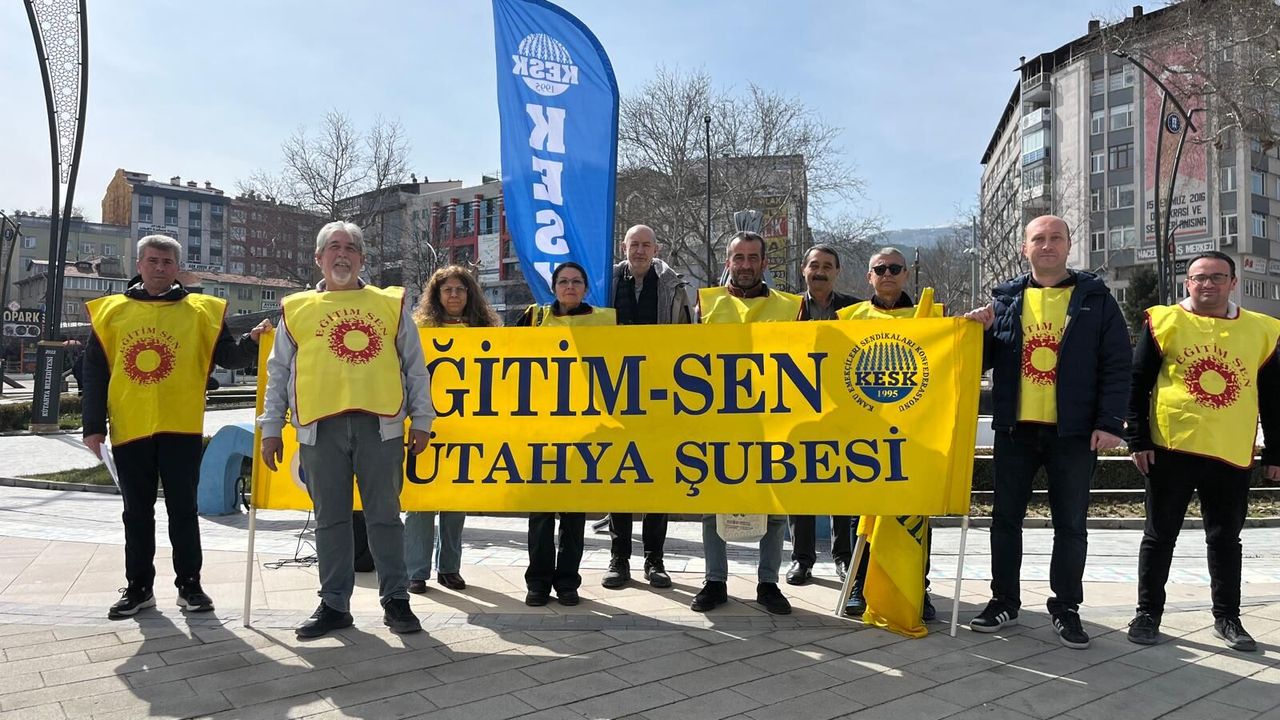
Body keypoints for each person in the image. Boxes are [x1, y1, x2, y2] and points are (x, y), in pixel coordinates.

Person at [963, 214, 1130, 649]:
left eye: (1056, 237)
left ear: (1069, 245)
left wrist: (1110, 422)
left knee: (1070, 525)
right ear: (1025, 248)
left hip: (1072, 434)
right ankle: (1004, 600)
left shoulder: (1096, 299)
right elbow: (981, 362)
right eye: (1039, 238)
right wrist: (976, 332)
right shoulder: (1005, 300)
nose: (1048, 245)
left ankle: (1066, 607)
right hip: (1015, 431)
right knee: (1004, 521)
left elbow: (1117, 364)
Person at [259, 221, 434, 638]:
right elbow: (278, 371)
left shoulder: (389, 304)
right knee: (330, 521)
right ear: (318, 258)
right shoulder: (296, 309)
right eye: (334, 247)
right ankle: (334, 604)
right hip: (320, 430)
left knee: (385, 518)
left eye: (351, 247)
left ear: (362, 258)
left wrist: (423, 419)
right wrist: (271, 426)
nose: (343, 254)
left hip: (381, 426)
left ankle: (396, 599)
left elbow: (414, 365)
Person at [83, 234, 269, 619]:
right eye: (152, 260)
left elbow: (229, 358)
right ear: (139, 265)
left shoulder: (202, 311)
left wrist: (251, 342)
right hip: (130, 426)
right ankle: (138, 587)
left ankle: (190, 585)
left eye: (167, 262)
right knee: (136, 512)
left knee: (184, 510)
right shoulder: (110, 312)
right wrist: (92, 426)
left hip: (181, 426)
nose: (159, 267)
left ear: (178, 268)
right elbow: (95, 373)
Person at [1125, 252, 1280, 652]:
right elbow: (1137, 383)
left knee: (1226, 539)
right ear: (1187, 283)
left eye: (1217, 277)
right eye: (1199, 277)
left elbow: (1273, 397)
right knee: (1159, 536)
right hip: (1170, 448)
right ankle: (1147, 614)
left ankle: (1228, 618)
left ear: (1233, 282)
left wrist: (1276, 452)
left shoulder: (1262, 330)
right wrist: (1138, 439)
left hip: (1230, 451)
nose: (1208, 284)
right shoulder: (1163, 321)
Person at [692, 231, 802, 616]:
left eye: (753, 258)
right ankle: (715, 581)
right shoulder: (705, 303)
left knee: (774, 506)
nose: (745, 265)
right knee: (713, 504)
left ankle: (768, 583)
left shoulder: (791, 306)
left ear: (764, 263)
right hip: (718, 420)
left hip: (773, 420)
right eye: (738, 257)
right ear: (728, 262)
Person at [834, 247, 939, 622]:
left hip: (914, 434)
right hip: (863, 434)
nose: (888, 274)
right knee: (859, 516)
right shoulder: (848, 318)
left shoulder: (930, 317)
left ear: (907, 273)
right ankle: (859, 587)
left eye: (895, 268)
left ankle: (917, 588)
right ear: (869, 277)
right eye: (880, 269)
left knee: (915, 515)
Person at [517, 262, 616, 606]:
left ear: (586, 288)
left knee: (574, 512)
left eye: (576, 281)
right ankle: (538, 582)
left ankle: (568, 582)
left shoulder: (606, 321)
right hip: (542, 426)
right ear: (554, 287)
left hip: (586, 427)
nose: (570, 286)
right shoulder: (534, 317)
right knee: (541, 511)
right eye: (563, 281)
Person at [602, 225, 692, 591]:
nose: (639, 251)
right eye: (633, 244)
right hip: (615, 395)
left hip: (660, 396)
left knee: (658, 479)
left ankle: (655, 560)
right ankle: (619, 558)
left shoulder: (674, 287)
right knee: (619, 478)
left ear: (657, 249)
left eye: (646, 245)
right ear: (623, 247)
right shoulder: (604, 284)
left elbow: (687, 339)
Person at [403, 265, 501, 594]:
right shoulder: (420, 329)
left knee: (456, 499)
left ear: (470, 294)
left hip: (467, 424)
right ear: (437, 295)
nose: (454, 295)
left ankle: (449, 568)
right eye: (447, 290)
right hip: (425, 422)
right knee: (420, 500)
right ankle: (416, 571)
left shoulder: (485, 330)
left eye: (460, 289)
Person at [784, 244, 859, 587]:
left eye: (828, 266)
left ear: (837, 272)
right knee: (800, 484)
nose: (820, 271)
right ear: (804, 270)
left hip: (843, 407)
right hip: (797, 408)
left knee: (842, 483)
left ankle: (843, 557)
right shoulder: (787, 309)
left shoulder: (854, 310)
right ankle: (802, 560)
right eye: (814, 265)